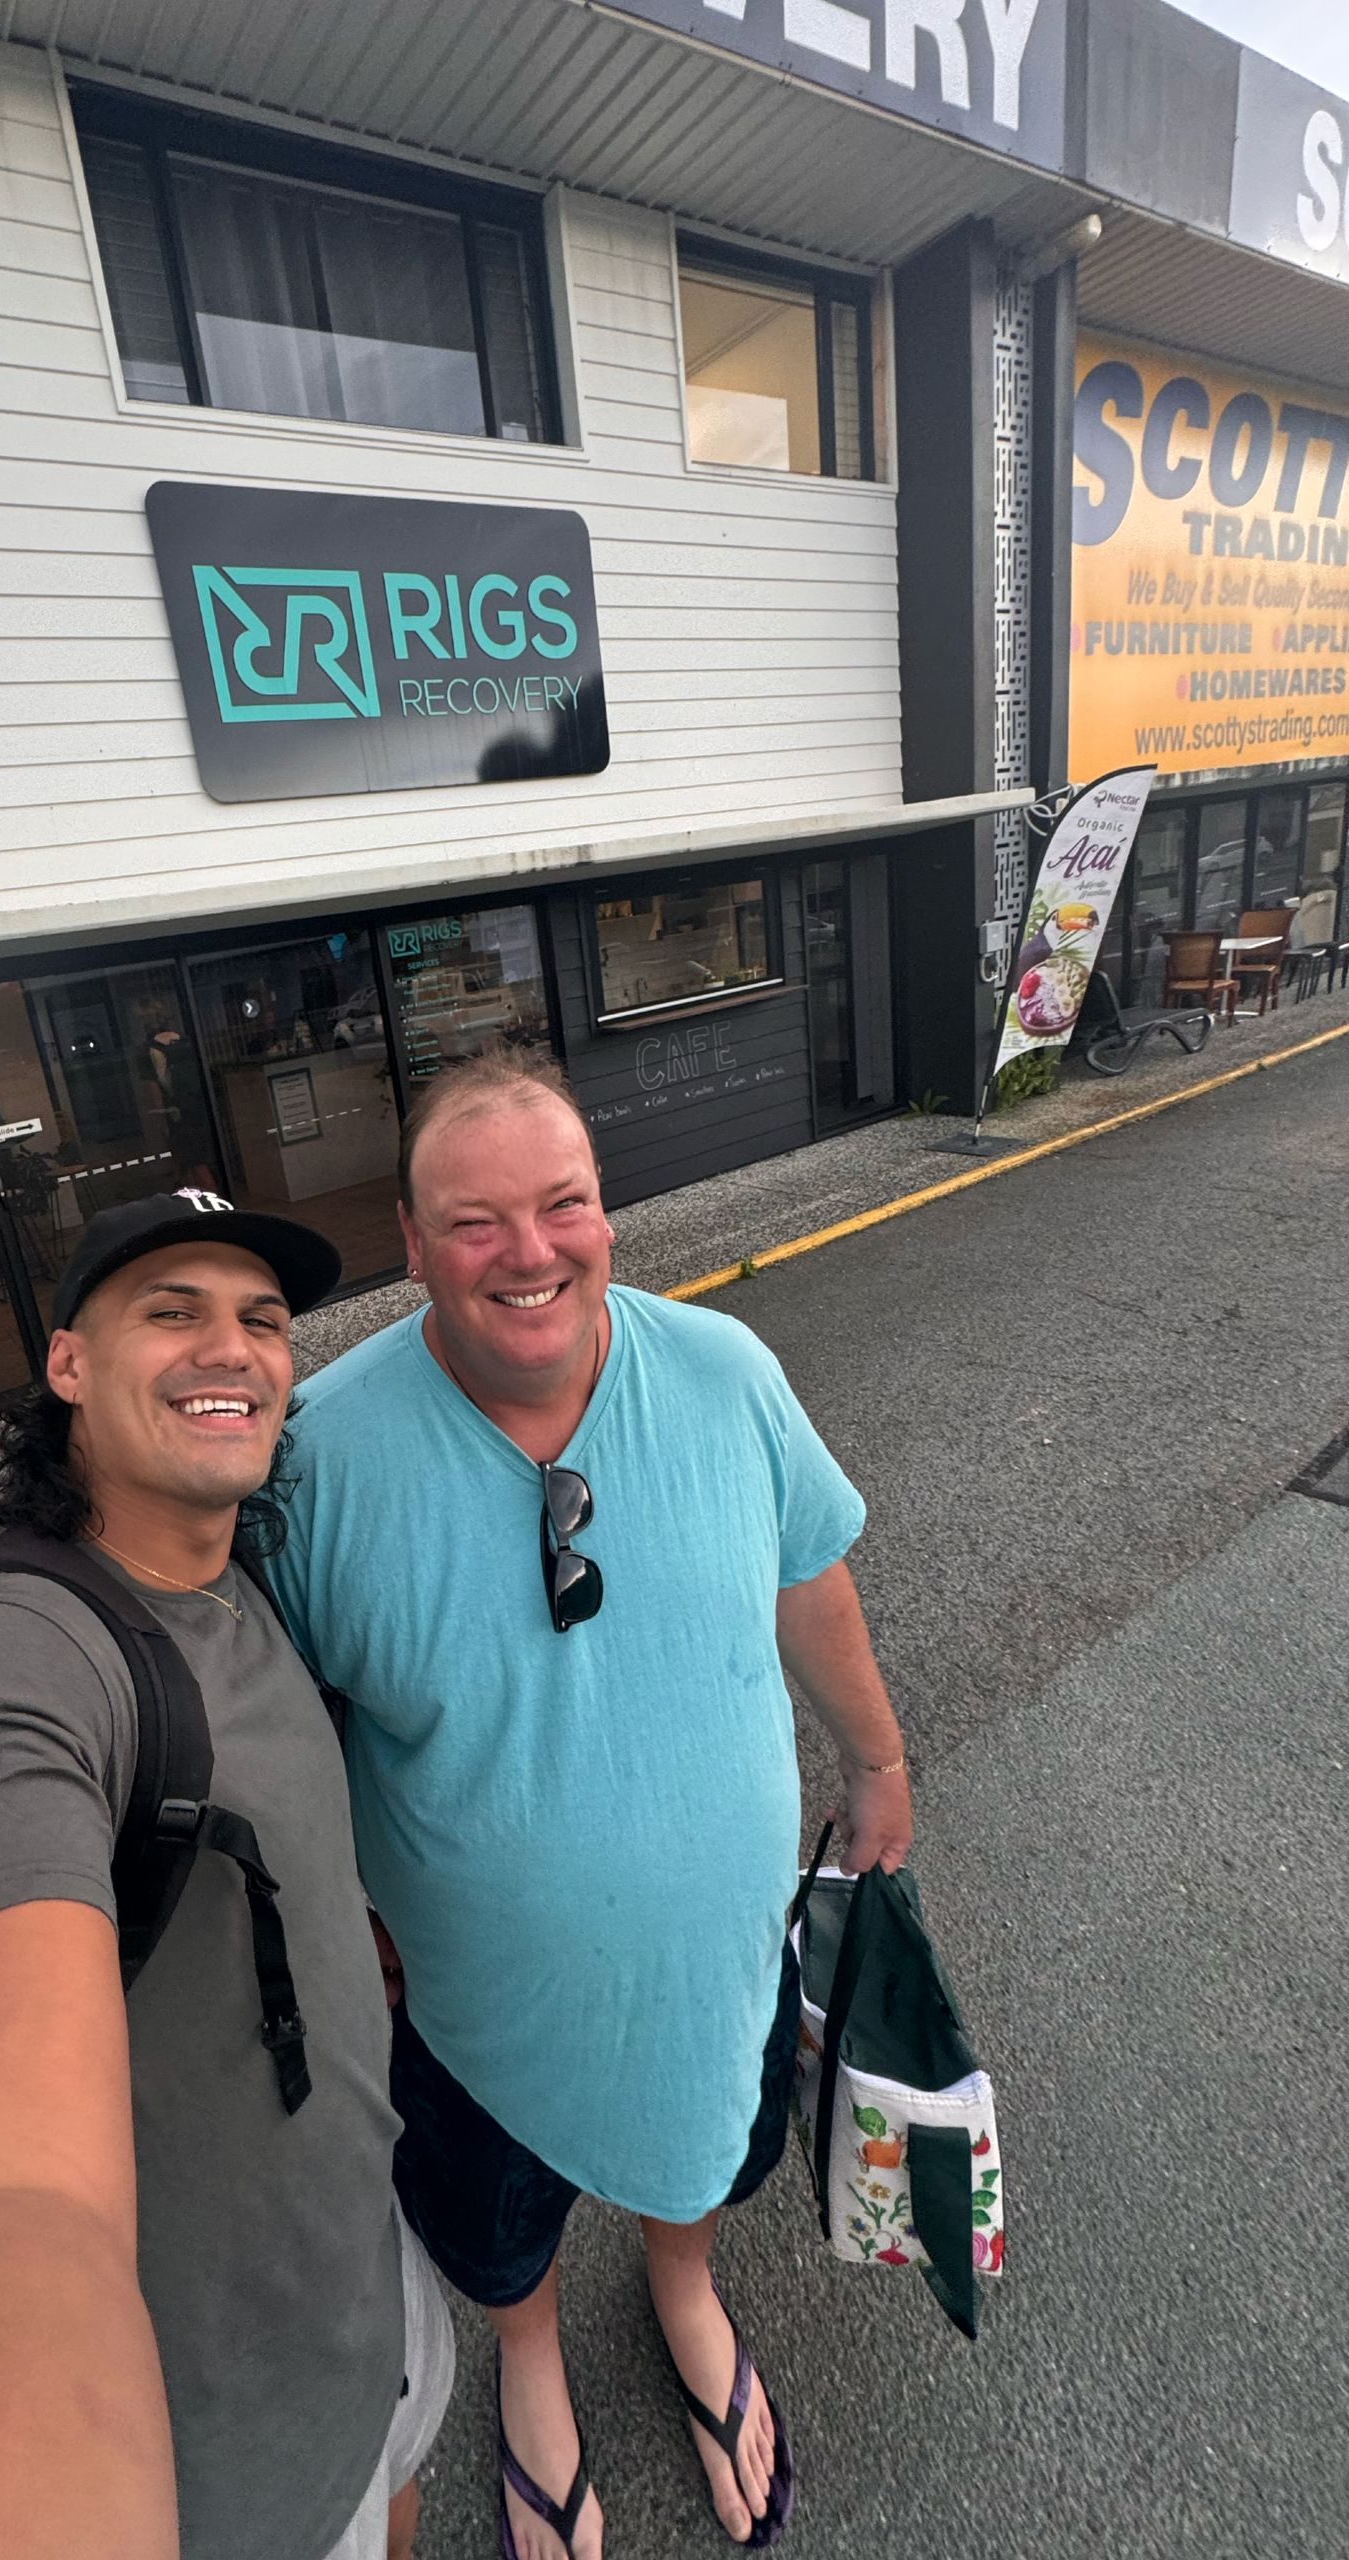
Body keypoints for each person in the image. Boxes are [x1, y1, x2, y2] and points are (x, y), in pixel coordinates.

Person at [272, 1057, 913, 2557]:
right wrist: (329, 1916)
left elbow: (808, 1575)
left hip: (719, 1956)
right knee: (495, 2215)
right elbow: (288, 1719)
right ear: (415, 1245)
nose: (531, 1250)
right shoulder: (316, 1458)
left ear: (608, 1213)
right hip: (473, 1997)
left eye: (563, 1205)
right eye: (475, 1222)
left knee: (706, 2145)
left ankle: (684, 2287)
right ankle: (535, 2360)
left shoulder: (727, 1372)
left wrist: (876, 1759)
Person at [0, 1188, 454, 2560]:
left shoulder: (224, 1572)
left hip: (369, 2293)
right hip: (216, 2458)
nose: (233, 1348)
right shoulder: (2, 1679)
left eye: (261, 1319)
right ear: (66, 1364)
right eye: (171, 1312)